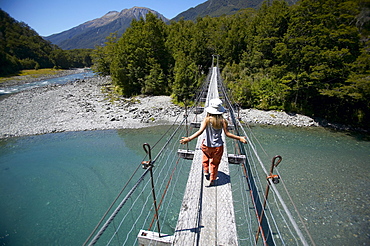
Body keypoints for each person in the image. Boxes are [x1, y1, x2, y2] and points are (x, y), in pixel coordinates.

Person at [180, 98, 247, 186]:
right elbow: (227, 134)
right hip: (218, 147)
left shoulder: (206, 120)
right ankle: (212, 179)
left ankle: (206, 170)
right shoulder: (223, 121)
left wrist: (188, 139)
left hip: (206, 145)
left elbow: (199, 132)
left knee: (205, 157)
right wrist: (240, 138)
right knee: (215, 164)